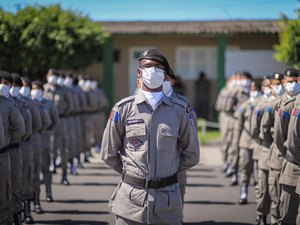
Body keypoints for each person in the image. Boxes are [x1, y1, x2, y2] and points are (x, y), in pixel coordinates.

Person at [101, 49, 200, 225]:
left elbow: (192, 154)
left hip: (167, 203)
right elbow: (108, 153)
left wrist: (167, 170)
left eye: (157, 67)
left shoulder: (179, 109)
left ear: (164, 73)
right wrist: (132, 173)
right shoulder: (123, 108)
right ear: (139, 72)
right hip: (130, 202)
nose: (152, 70)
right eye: (147, 66)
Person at [162, 67, 198, 210]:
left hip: (176, 156)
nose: (163, 82)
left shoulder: (183, 102)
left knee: (177, 197)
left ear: (173, 81)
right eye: (161, 79)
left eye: (166, 79)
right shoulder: (151, 100)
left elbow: (191, 129)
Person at [259, 72, 285, 224]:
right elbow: (262, 128)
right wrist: (272, 145)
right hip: (271, 150)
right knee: (268, 190)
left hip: (287, 155)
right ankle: (262, 214)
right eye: (272, 84)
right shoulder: (270, 105)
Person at [0, 71, 25, 225]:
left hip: (2, 155)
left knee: (4, 196)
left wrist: (7, 141)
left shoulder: (7, 104)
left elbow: (20, 129)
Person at [236, 80, 262, 205]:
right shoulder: (245, 105)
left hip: (258, 142)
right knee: (245, 167)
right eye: (252, 88)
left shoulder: (262, 103)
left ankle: (259, 196)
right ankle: (243, 191)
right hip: (245, 141)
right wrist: (237, 141)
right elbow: (239, 125)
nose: (254, 90)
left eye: (256, 87)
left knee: (258, 171)